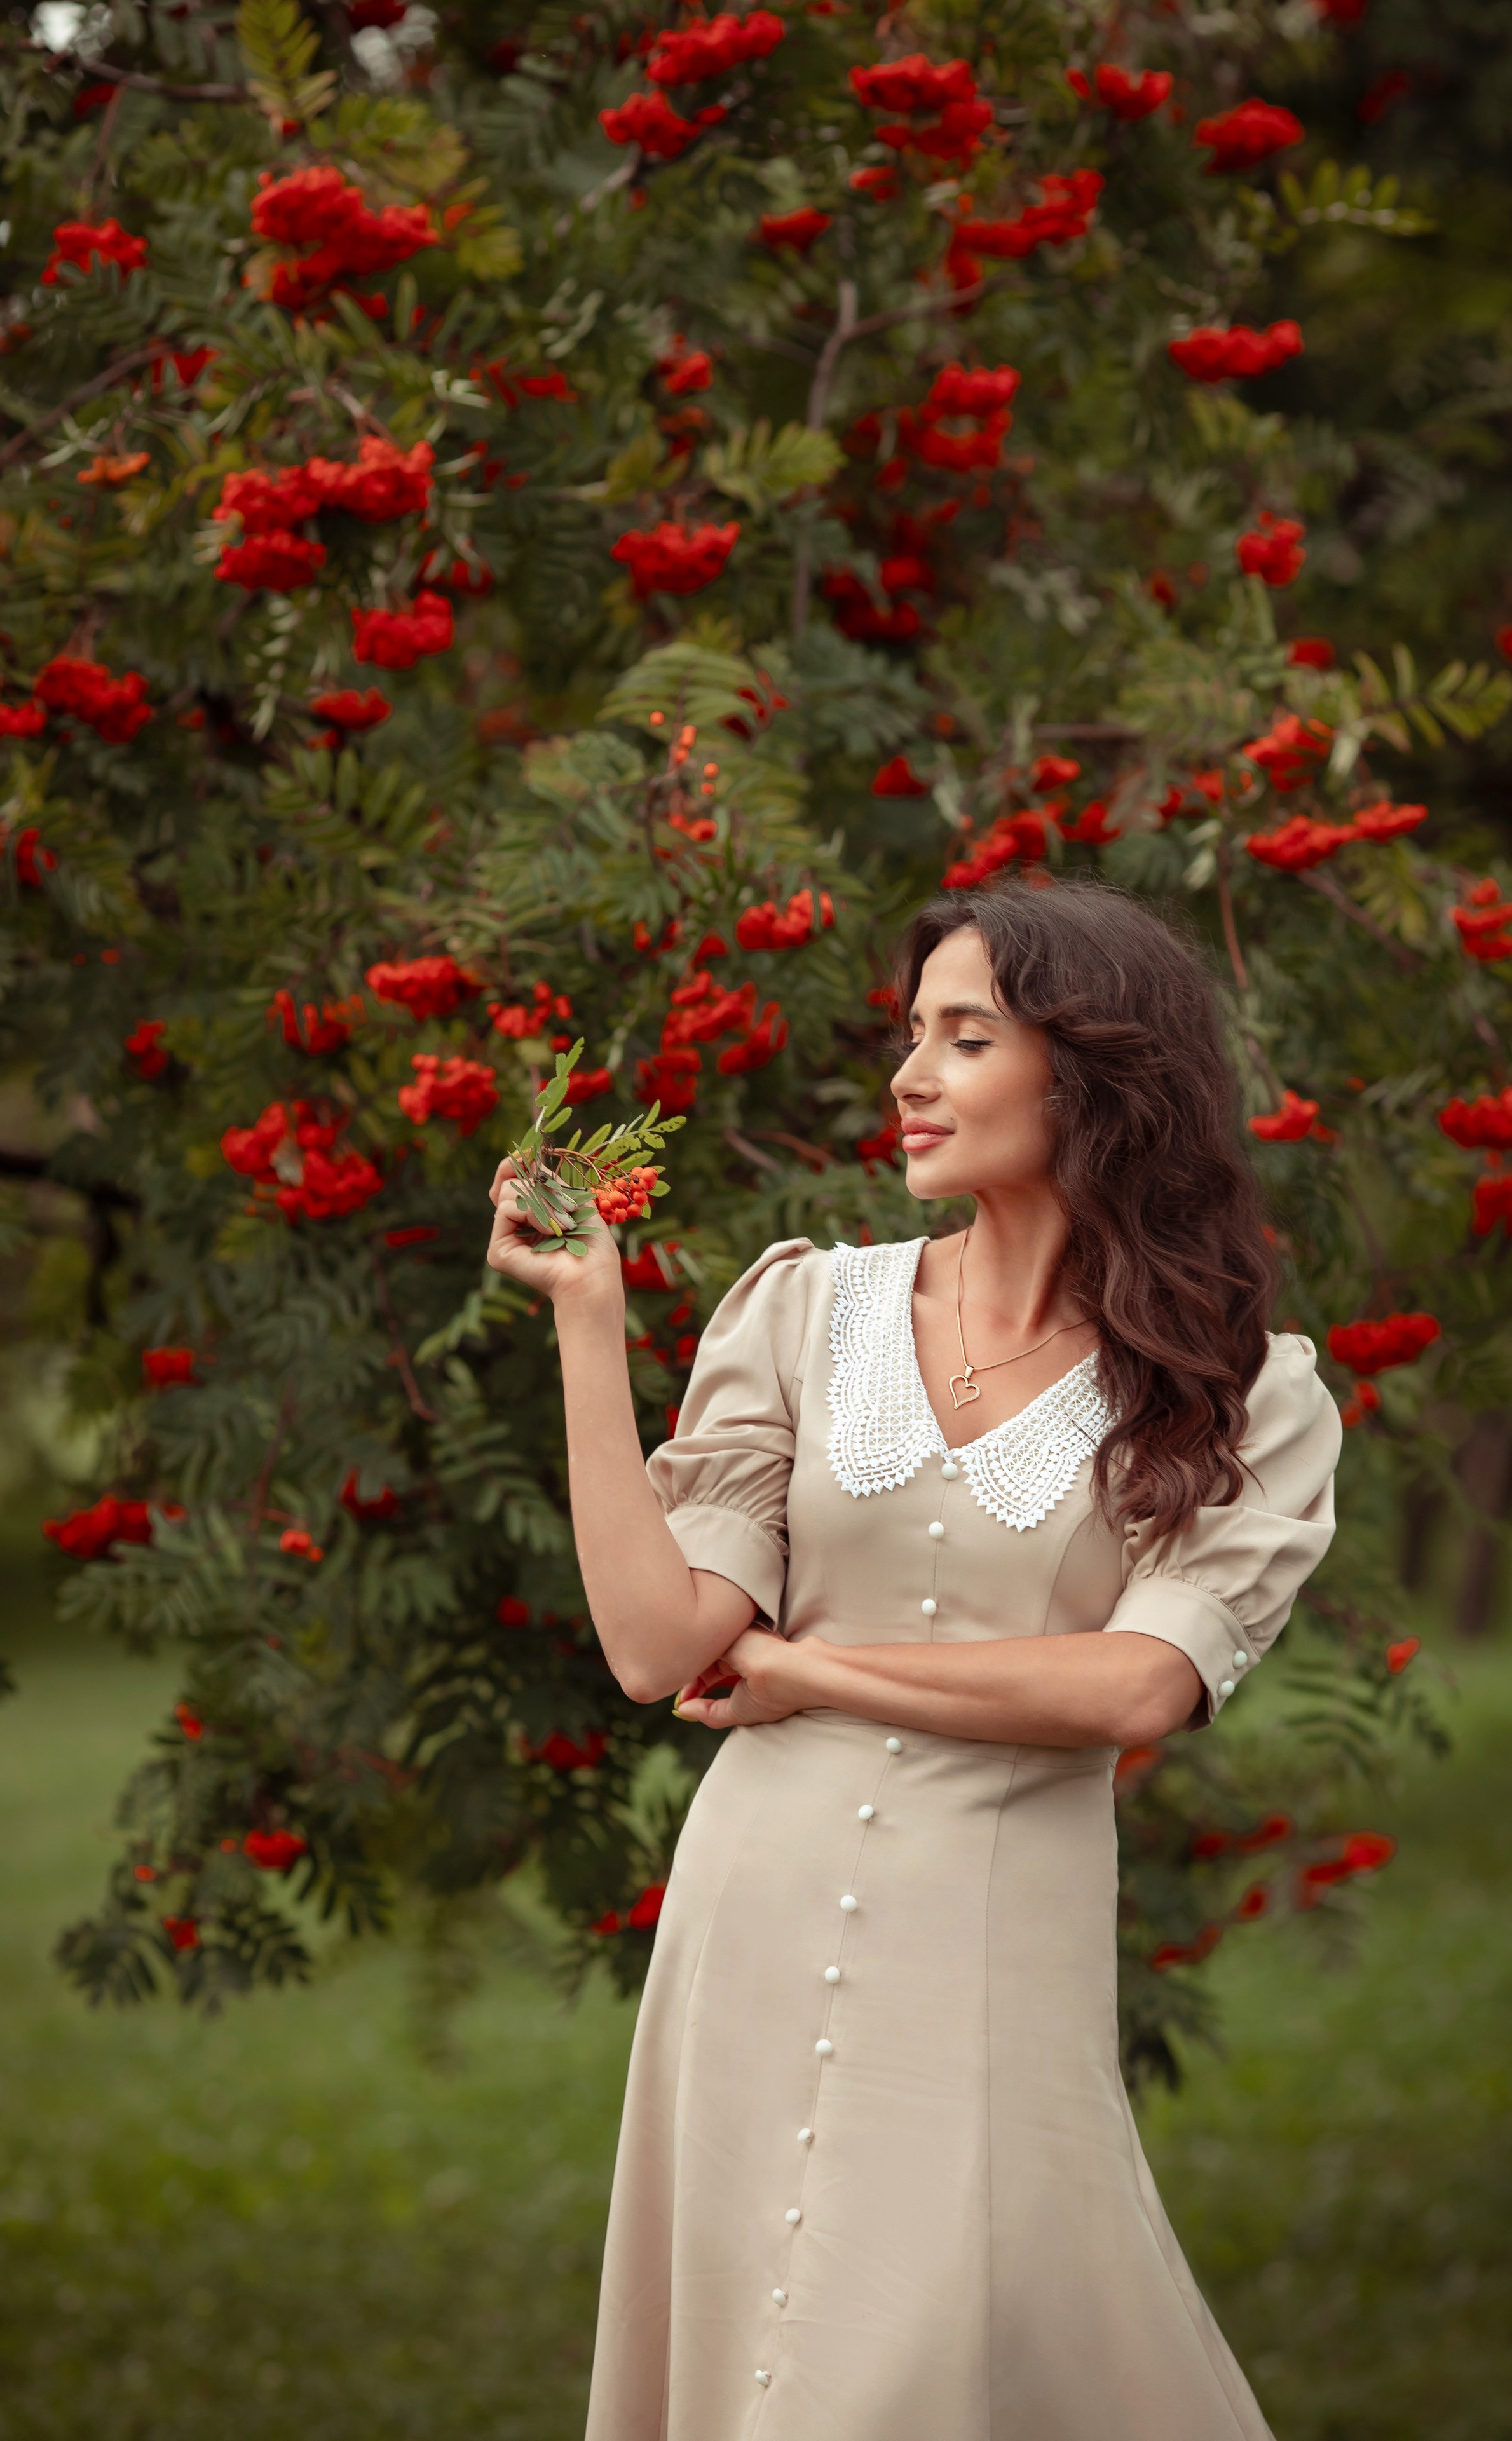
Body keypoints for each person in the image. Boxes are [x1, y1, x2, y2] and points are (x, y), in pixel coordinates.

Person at [487, 878, 1341, 2441]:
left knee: (919, 2359)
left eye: (965, 1037)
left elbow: (1137, 1687)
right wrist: (588, 1331)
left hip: (988, 1934)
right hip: (752, 1905)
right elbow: (654, 1645)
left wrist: (815, 1674)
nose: (908, 1075)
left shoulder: (1239, 1392)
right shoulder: (806, 1309)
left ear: (1089, 1077)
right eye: (909, 1035)